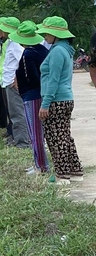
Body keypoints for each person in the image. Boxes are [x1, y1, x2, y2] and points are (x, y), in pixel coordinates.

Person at [37, 16, 84, 184]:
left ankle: (62, 175)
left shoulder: (57, 51)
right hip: (65, 98)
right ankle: (75, 170)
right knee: (64, 136)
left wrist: (45, 103)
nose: (45, 37)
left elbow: (53, 80)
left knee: (55, 137)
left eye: (47, 33)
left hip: (56, 99)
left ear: (55, 33)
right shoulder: (65, 49)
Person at [11, 21, 50, 174]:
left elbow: (32, 77)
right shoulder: (41, 50)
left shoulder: (28, 54)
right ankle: (38, 163)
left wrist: (23, 86)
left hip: (32, 95)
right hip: (38, 94)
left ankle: (41, 166)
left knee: (35, 133)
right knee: (37, 132)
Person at [0, 16, 30, 148]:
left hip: (12, 83)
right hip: (7, 83)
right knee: (13, 114)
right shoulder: (9, 43)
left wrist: (17, 78)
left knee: (17, 114)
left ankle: (23, 142)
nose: (1, 32)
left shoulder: (15, 44)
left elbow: (23, 62)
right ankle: (18, 139)